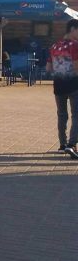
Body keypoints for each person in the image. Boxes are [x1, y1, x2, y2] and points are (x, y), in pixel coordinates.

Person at [46, 18, 78, 158]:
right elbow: (76, 66)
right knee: (76, 115)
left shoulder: (54, 46)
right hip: (74, 84)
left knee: (62, 114)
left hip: (58, 85)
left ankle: (62, 144)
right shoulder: (75, 45)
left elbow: (48, 67)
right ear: (73, 29)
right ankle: (72, 144)